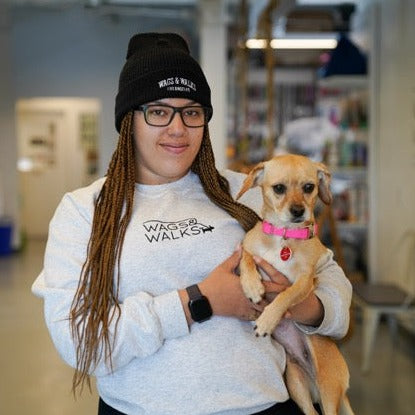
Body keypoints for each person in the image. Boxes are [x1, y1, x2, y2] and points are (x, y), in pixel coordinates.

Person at [32, 32, 352, 415]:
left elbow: (327, 273)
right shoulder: (86, 211)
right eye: (158, 111)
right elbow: (79, 341)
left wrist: (298, 306)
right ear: (128, 120)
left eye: (192, 111)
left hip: (264, 405)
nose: (178, 128)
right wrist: (199, 301)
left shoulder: (246, 192)